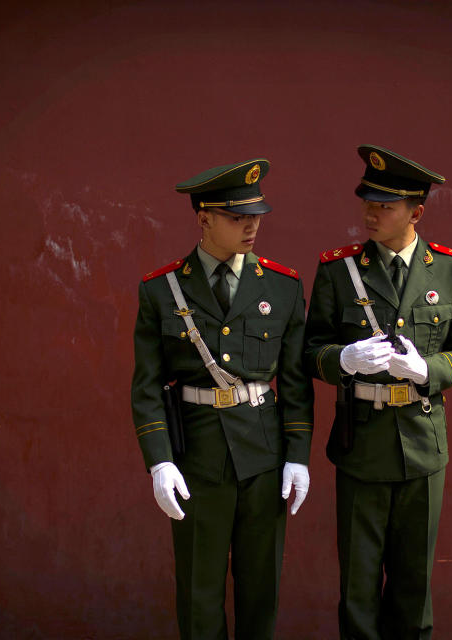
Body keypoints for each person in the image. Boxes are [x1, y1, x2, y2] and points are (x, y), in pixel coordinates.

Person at [131, 158, 313, 640]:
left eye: (256, 215)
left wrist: (297, 456)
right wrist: (159, 462)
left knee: (260, 592)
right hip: (197, 458)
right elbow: (147, 385)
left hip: (263, 457)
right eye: (237, 217)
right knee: (199, 593)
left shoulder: (283, 285)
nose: (252, 225)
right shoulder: (162, 289)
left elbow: (294, 381)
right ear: (204, 219)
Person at [304, 144, 452, 639]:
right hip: (361, 446)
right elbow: (309, 349)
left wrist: (427, 368)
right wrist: (342, 359)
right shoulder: (339, 271)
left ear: (416, 212)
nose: (370, 213)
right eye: (367, 202)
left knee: (413, 588)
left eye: (385, 205)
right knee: (358, 590)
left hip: (424, 448)